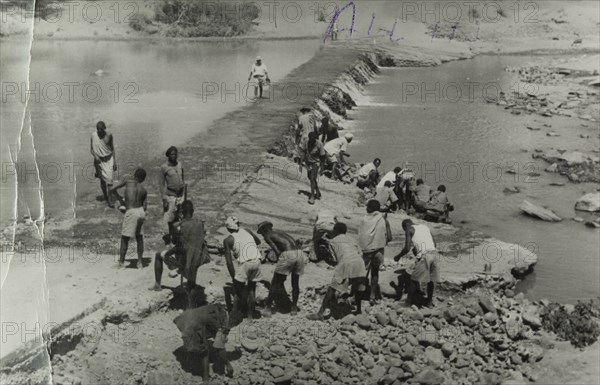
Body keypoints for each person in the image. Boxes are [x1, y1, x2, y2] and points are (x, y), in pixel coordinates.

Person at [151, 201, 211, 308]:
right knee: (191, 283)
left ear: (182, 212)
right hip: (198, 259)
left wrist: (169, 252)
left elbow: (177, 244)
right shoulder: (200, 224)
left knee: (158, 255)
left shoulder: (180, 226)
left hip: (183, 261)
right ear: (193, 211)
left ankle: (157, 285)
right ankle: (190, 307)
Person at [307, 223, 368, 320]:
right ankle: (359, 310)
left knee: (332, 288)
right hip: (360, 263)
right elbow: (360, 253)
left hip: (345, 263)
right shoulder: (352, 239)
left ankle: (320, 313)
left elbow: (334, 259)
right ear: (345, 231)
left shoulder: (333, 241)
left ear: (335, 231)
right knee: (358, 288)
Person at [257, 221, 305, 316]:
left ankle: (267, 309)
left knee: (275, 282)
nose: (262, 235)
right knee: (295, 282)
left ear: (265, 230)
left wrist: (280, 269)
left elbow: (277, 251)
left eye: (261, 232)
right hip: (299, 253)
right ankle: (294, 308)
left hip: (288, 254)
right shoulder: (280, 232)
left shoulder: (268, 235)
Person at [173, 304, 233, 379]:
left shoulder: (216, 309)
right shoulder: (221, 320)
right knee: (205, 351)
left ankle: (193, 354)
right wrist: (228, 364)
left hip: (183, 320)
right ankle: (206, 380)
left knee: (201, 339)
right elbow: (219, 346)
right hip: (192, 327)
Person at [222, 217, 263, 320]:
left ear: (227, 229)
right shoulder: (247, 231)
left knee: (238, 288)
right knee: (252, 288)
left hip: (245, 263)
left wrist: (233, 277)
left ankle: (235, 315)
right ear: (238, 224)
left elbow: (229, 262)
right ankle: (250, 315)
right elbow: (258, 242)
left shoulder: (228, 240)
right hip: (257, 260)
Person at [393, 219, 440, 307]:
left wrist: (398, 256)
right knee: (431, 280)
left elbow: (407, 248)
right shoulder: (425, 227)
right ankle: (429, 303)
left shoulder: (409, 229)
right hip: (434, 254)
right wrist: (418, 250)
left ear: (405, 227)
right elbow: (434, 243)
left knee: (413, 280)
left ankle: (408, 303)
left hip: (425, 256)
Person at [111, 168, 147, 269]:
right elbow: (145, 207)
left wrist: (119, 198)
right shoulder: (144, 190)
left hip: (131, 211)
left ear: (134, 175)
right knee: (139, 237)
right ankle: (140, 262)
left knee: (125, 238)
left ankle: (121, 263)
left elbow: (112, 189)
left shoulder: (128, 181)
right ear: (143, 179)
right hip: (141, 211)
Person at [358, 200, 390, 304]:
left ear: (370, 209)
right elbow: (389, 237)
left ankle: (356, 294)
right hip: (378, 250)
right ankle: (372, 296)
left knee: (361, 272)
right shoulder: (382, 219)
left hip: (367, 250)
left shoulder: (364, 219)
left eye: (367, 207)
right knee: (375, 272)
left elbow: (361, 236)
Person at [160, 146, 185, 245]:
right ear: (168, 156)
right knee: (169, 218)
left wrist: (184, 194)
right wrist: (164, 198)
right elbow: (161, 184)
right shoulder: (164, 167)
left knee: (179, 217)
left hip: (180, 196)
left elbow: (183, 179)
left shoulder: (180, 165)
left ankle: (177, 238)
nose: (174, 156)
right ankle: (168, 240)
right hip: (170, 196)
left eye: (175, 154)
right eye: (172, 154)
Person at [90, 121, 117, 207]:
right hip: (99, 161)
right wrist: (96, 156)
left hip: (108, 160)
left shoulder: (109, 135)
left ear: (104, 128)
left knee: (109, 181)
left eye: (101, 130)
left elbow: (112, 149)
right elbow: (91, 149)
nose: (99, 132)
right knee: (102, 180)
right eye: (98, 130)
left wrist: (115, 162)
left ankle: (109, 201)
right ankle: (106, 196)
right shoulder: (93, 135)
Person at [299, 132, 326, 205]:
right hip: (308, 163)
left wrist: (322, 167)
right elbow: (303, 153)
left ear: (315, 139)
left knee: (312, 178)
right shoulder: (306, 142)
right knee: (310, 178)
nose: (311, 141)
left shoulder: (319, 144)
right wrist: (301, 164)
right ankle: (317, 191)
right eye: (310, 139)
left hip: (316, 163)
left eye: (313, 140)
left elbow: (323, 156)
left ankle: (312, 196)